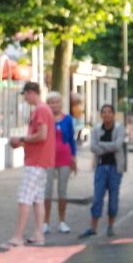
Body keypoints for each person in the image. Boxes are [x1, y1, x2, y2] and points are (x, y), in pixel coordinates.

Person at [0, 81, 55, 249]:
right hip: (41, 161)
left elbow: (42, 135)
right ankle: (38, 234)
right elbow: (42, 137)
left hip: (36, 161)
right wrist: (23, 142)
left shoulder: (40, 110)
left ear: (31, 92)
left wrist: (21, 139)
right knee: (37, 199)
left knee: (24, 198)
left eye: (25, 94)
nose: (25, 98)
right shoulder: (44, 109)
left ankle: (18, 236)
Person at [78, 104, 125, 239]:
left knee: (113, 197)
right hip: (100, 167)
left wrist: (102, 145)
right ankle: (93, 227)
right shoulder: (96, 129)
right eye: (104, 112)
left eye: (109, 112)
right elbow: (93, 147)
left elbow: (118, 145)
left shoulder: (119, 128)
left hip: (115, 167)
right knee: (97, 197)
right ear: (101, 115)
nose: (107, 114)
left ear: (113, 114)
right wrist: (108, 147)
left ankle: (110, 226)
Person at [44, 91, 77, 234]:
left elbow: (72, 140)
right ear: (47, 104)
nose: (54, 105)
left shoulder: (68, 119)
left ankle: (62, 221)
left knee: (62, 191)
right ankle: (45, 222)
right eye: (51, 102)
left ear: (61, 104)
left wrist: (74, 158)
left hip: (64, 158)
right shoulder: (45, 118)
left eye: (57, 102)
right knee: (47, 191)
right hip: (48, 158)